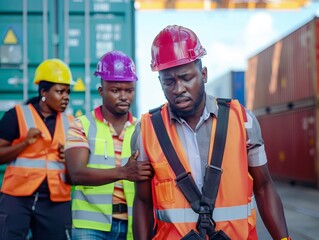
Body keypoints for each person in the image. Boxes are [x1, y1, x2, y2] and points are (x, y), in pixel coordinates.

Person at [132, 25, 292, 240]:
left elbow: (264, 187)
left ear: (203, 74)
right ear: (160, 82)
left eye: (186, 77)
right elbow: (142, 202)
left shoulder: (242, 120)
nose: (178, 88)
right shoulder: (146, 130)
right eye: (169, 81)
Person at [64, 50, 153, 240]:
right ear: (101, 91)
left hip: (131, 225)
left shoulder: (142, 129)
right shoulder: (81, 125)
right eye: (115, 90)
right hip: (90, 227)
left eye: (129, 90)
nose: (123, 96)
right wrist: (123, 172)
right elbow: (76, 174)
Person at [0, 59, 74, 240]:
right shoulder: (16, 115)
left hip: (55, 201)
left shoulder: (71, 123)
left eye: (67, 92)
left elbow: (75, 175)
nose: (65, 96)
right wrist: (25, 143)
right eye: (59, 91)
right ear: (43, 92)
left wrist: (69, 159)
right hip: (17, 198)